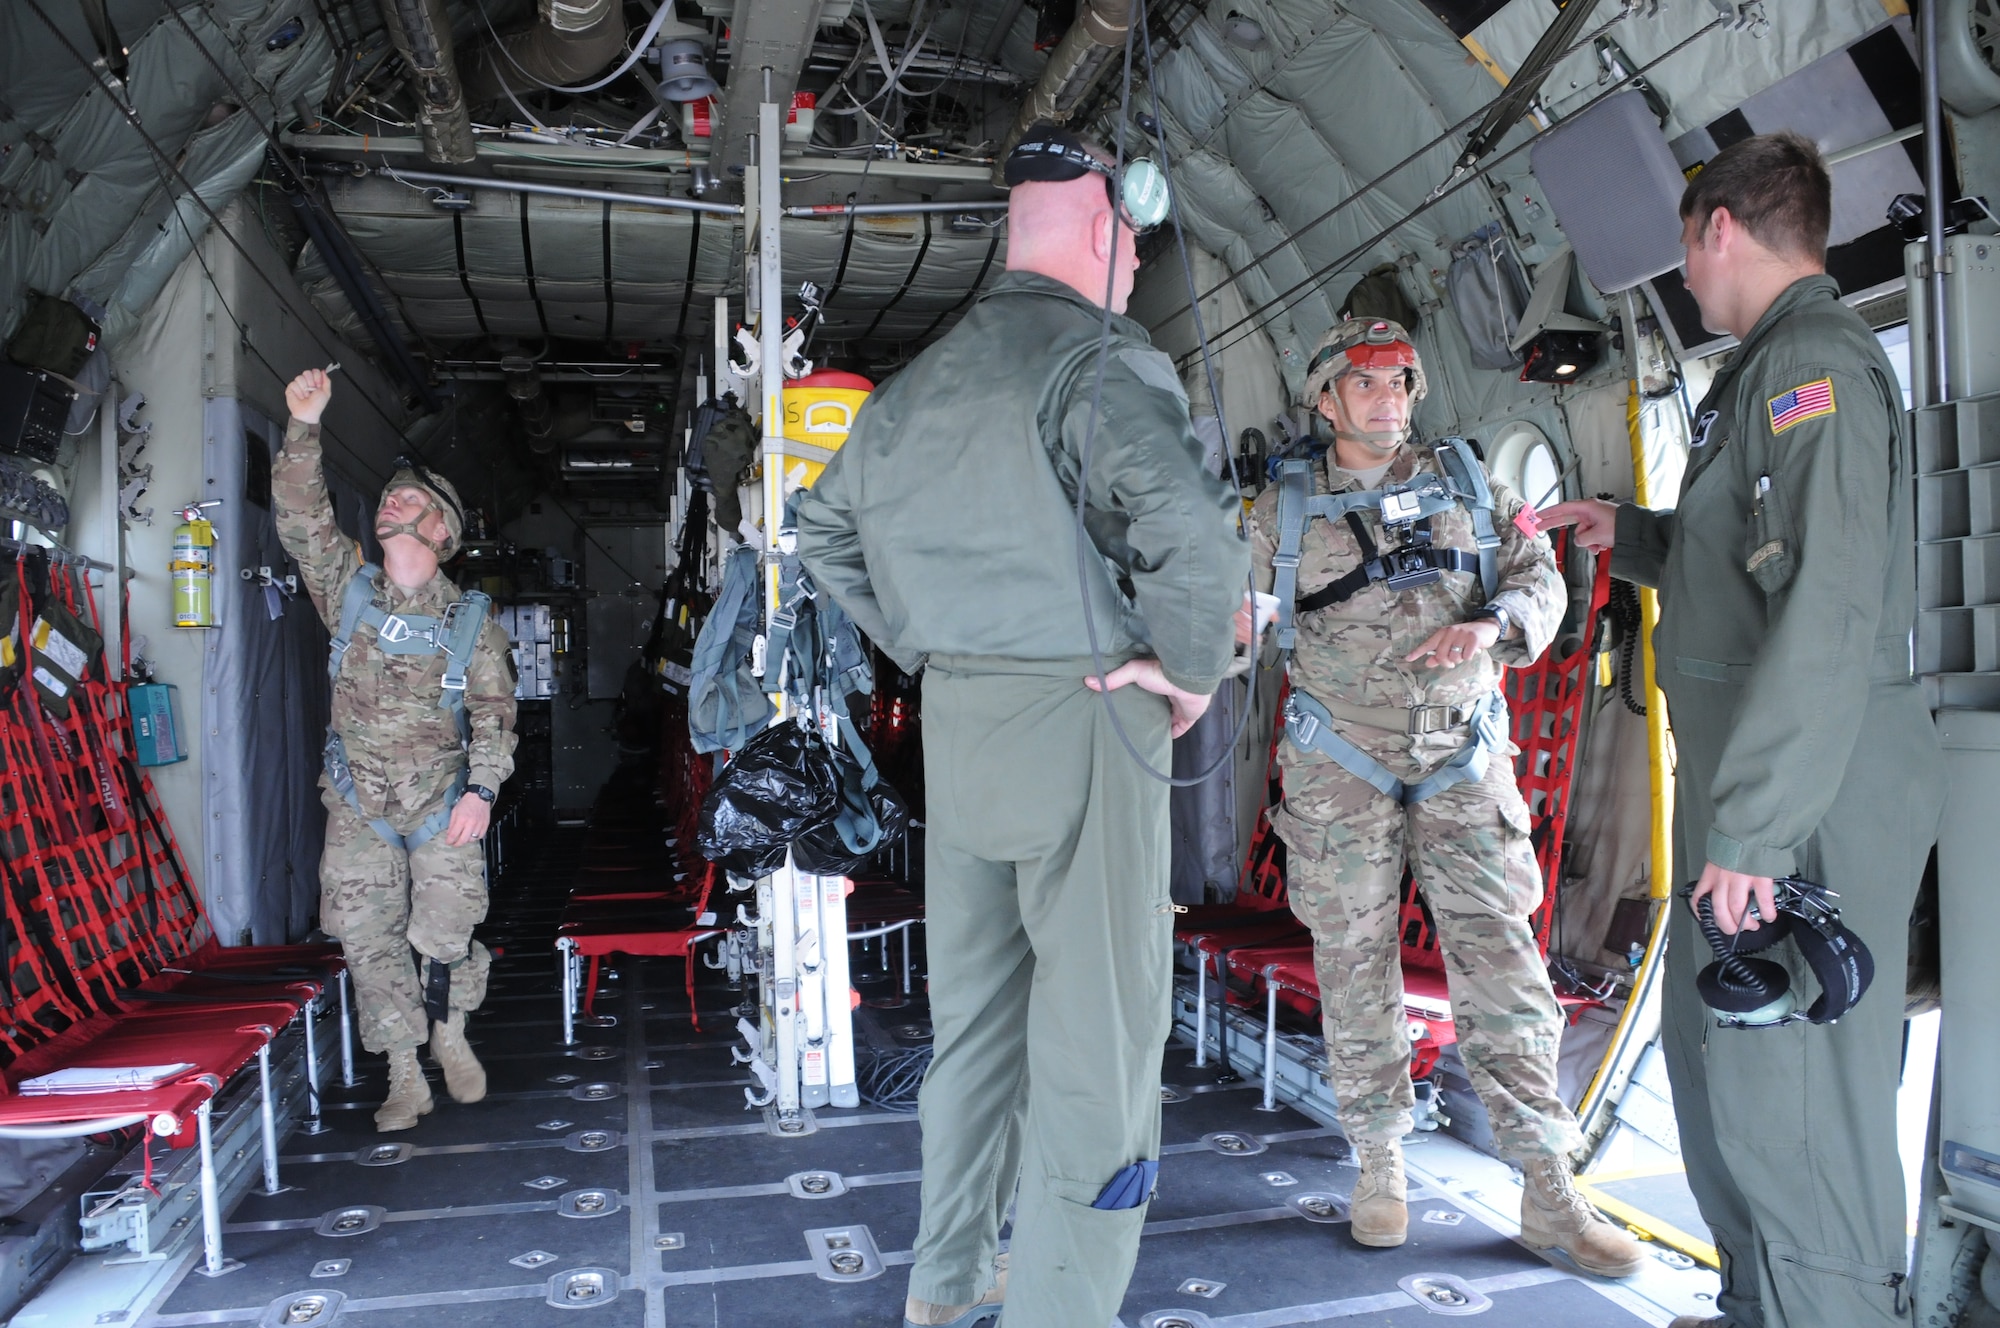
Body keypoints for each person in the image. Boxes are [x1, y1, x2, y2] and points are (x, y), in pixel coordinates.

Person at [793, 123, 1246, 1328]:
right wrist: (1190, 665)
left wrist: (932, 641)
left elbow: (822, 531)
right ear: (1104, 228)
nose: (1135, 268)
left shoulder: (916, 385)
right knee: (1098, 1046)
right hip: (1086, 717)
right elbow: (1195, 538)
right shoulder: (1094, 364)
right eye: (1134, 247)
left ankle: (944, 1283)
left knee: (976, 1031)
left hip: (965, 728)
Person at [1542, 131, 1945, 1328]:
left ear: (1715, 228)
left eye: (1684, 249)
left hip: (1800, 805)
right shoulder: (1763, 370)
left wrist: (1758, 831)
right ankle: (1758, 1305)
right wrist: (1630, 529)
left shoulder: (1810, 368)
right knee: (1723, 1075)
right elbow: (1748, 559)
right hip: (1750, 794)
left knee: (1796, 1106)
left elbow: (1826, 610)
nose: (1687, 278)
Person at [1246, 317, 1644, 1276]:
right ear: (1326, 399)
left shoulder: (1473, 483)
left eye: (1401, 382)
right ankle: (1379, 1162)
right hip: (1341, 760)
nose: (1388, 398)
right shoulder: (1278, 515)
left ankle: (1550, 1189)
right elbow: (1237, 613)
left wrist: (1495, 625)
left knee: (1504, 961)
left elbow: (1539, 578)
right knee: (1353, 960)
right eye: (1367, 383)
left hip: (1464, 754)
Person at [276, 368, 519, 1132]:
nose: (391, 504)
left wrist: (481, 791)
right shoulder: (348, 588)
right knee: (366, 939)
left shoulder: (471, 619)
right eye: (388, 498)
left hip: (441, 801)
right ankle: (405, 1073)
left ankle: (449, 1032)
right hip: (357, 802)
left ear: (441, 531)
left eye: (410, 501)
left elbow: (495, 712)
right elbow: (300, 516)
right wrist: (304, 425)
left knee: (444, 934)